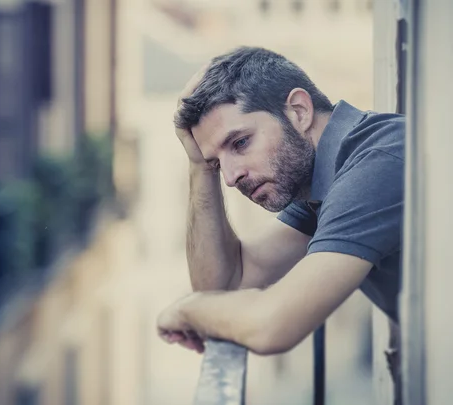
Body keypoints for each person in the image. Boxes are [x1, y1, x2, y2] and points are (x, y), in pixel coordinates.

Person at [156, 46, 403, 403]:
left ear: (299, 111)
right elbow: (225, 286)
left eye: (240, 142)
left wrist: (185, 309)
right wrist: (197, 165)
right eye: (216, 163)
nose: (229, 176)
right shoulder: (322, 180)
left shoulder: (375, 165)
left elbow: (272, 326)